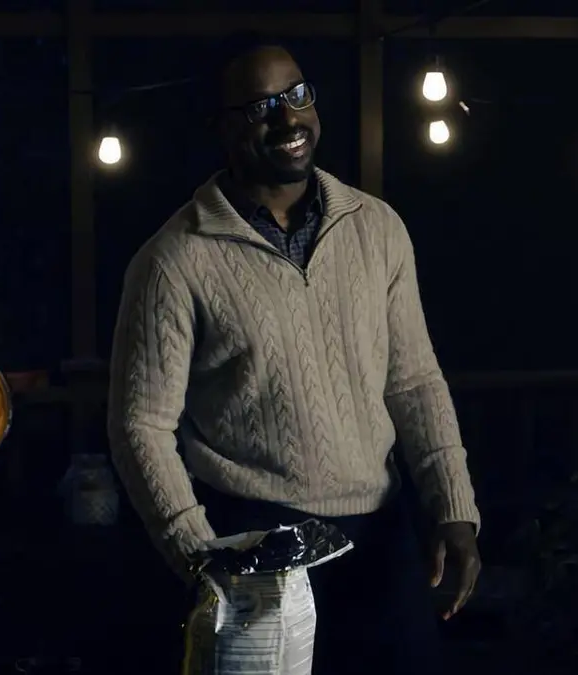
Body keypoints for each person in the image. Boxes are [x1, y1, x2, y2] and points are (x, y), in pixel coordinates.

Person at [106, 34, 481, 675]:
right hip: (255, 540)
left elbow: (415, 382)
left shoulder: (378, 228)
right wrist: (197, 552)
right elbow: (139, 425)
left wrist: (454, 510)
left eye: (297, 95)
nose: (288, 119)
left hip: (380, 537)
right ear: (221, 127)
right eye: (260, 107)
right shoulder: (173, 260)